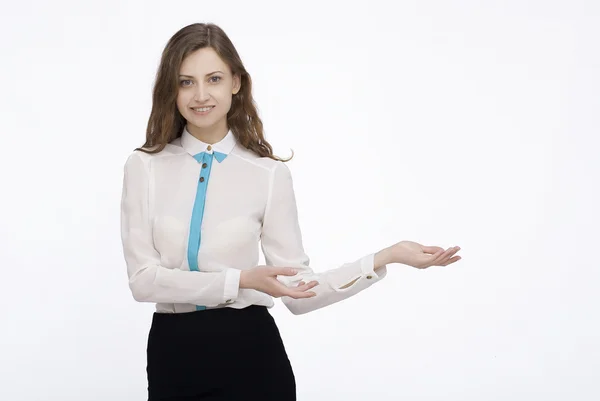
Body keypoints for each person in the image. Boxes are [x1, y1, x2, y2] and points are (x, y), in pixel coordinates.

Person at [119, 22, 462, 401]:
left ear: (235, 82)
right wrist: (242, 280)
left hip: (252, 355)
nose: (201, 95)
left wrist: (385, 257)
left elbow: (301, 293)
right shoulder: (144, 167)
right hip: (173, 355)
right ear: (172, 88)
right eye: (186, 82)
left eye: (213, 78)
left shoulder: (268, 174)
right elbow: (144, 281)